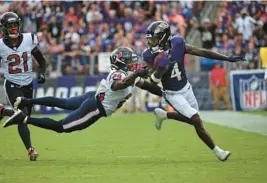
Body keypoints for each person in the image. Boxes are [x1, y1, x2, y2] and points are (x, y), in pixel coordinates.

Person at [3, 47, 162, 138]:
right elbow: (118, 85)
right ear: (122, 62)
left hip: (92, 98)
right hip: (95, 107)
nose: (134, 63)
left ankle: (26, 102)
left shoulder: (129, 76)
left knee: (63, 103)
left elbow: (147, 86)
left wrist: (167, 94)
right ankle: (24, 118)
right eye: (130, 61)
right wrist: (135, 74)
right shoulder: (119, 75)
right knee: (61, 127)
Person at [143, 21, 246, 161]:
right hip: (172, 94)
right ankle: (218, 151)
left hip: (186, 88)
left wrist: (226, 58)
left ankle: (165, 115)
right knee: (196, 119)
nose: (150, 43)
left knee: (194, 120)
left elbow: (201, 51)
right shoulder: (149, 55)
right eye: (150, 39)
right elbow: (153, 80)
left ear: (163, 37)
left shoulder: (178, 43)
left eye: (154, 39)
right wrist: (160, 69)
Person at [0, 12, 46, 161]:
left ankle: (4, 112)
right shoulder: (1, 46)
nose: (13, 28)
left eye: (15, 25)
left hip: (28, 84)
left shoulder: (28, 39)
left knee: (25, 118)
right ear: (4, 29)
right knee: (22, 116)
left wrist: (41, 73)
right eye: (10, 26)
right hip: (12, 84)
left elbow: (41, 60)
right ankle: (31, 150)